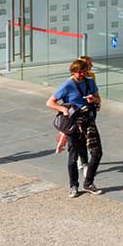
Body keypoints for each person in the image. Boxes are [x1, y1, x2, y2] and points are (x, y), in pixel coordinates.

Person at [47, 56, 103, 198]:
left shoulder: (90, 82)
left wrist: (93, 99)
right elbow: (50, 102)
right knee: (73, 157)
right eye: (79, 72)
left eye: (84, 71)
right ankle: (73, 185)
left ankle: (88, 182)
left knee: (97, 153)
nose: (82, 75)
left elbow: (98, 99)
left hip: (88, 121)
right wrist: (63, 109)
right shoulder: (66, 85)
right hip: (73, 123)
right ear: (73, 72)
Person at [54, 55, 95, 154]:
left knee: (82, 134)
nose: (90, 66)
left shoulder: (91, 77)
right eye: (89, 64)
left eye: (89, 65)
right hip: (75, 111)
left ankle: (81, 157)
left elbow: (94, 93)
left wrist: (94, 100)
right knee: (71, 131)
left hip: (87, 110)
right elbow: (56, 99)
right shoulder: (71, 81)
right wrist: (62, 109)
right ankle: (65, 143)